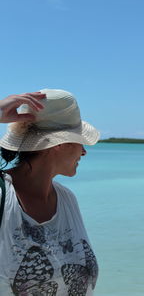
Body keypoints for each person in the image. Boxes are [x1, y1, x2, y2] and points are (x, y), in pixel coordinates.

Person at [0, 89, 100, 296]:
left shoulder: (67, 200)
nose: (84, 151)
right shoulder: (3, 197)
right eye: (79, 141)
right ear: (58, 144)